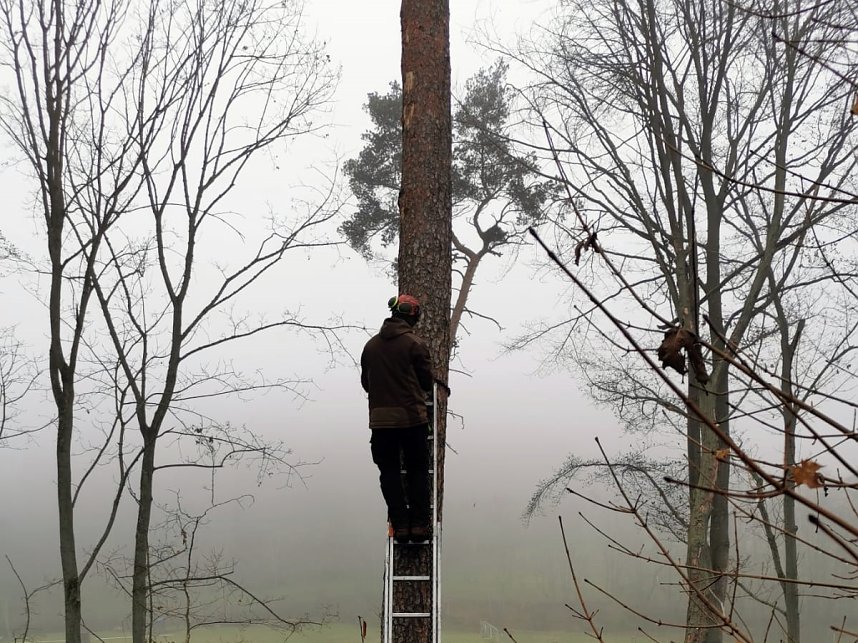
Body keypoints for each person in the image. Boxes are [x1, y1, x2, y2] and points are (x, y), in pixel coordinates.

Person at [361, 294, 434, 543]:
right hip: (412, 420)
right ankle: (419, 526)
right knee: (417, 470)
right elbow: (426, 382)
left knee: (389, 473)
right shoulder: (415, 344)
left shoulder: (370, 346)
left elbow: (366, 384)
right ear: (413, 316)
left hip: (380, 423)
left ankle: (400, 526)